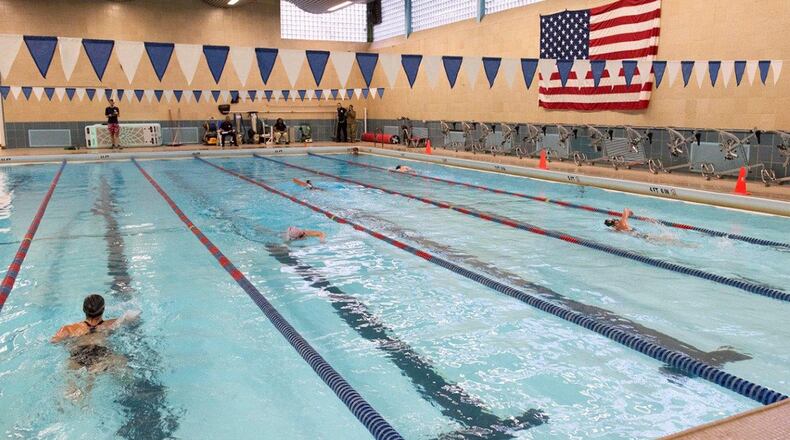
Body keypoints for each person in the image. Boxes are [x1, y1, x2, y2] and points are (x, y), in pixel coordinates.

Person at [51, 294, 139, 372]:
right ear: (103, 309)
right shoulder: (111, 324)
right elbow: (133, 317)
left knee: (72, 380)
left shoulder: (69, 328)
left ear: (83, 309)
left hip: (78, 355)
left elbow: (54, 342)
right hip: (102, 355)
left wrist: (69, 343)